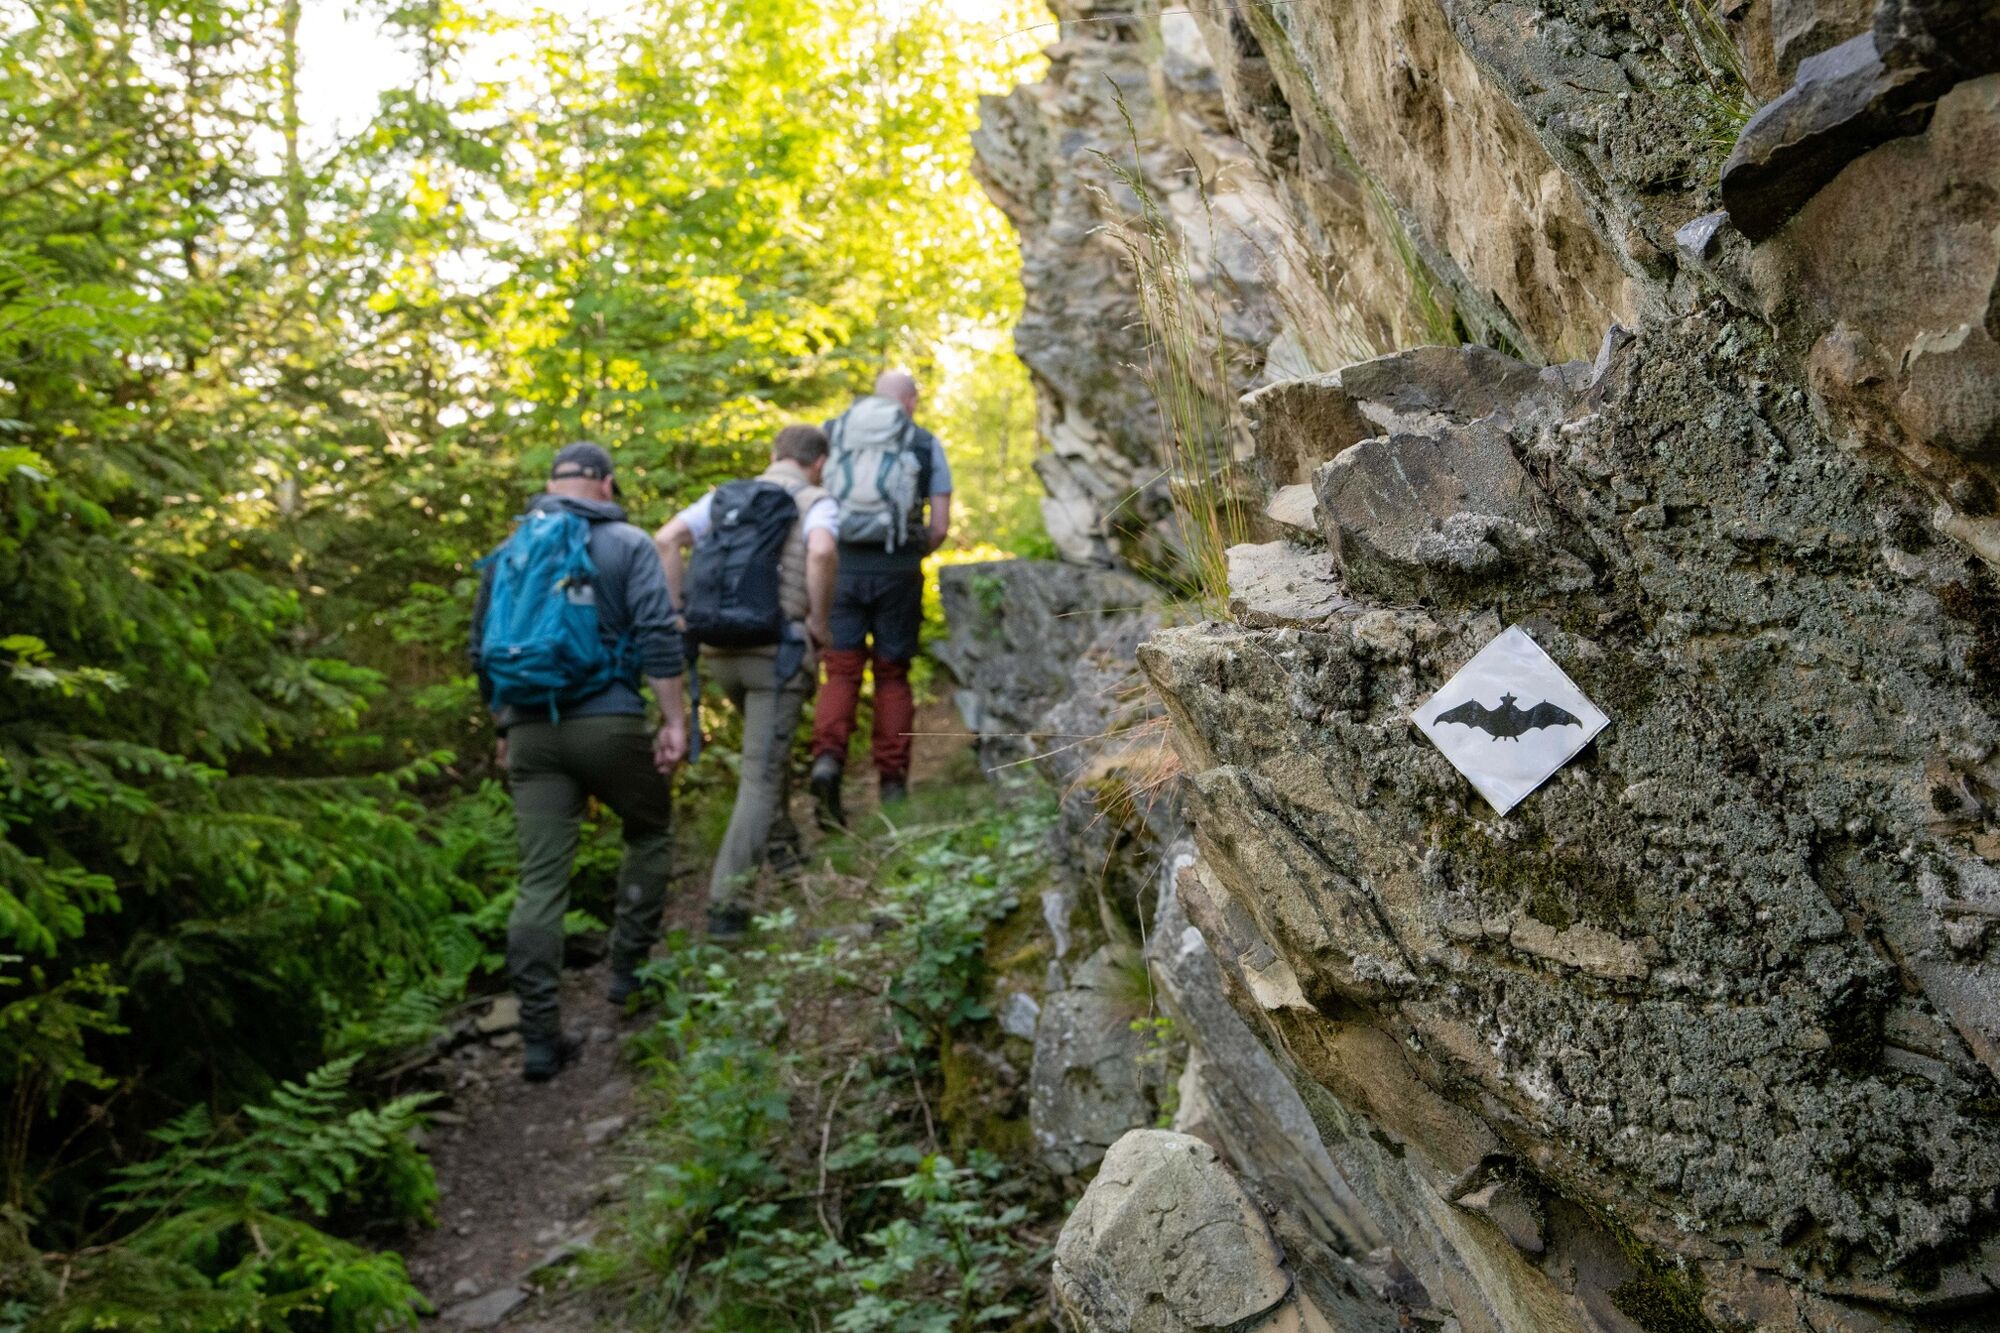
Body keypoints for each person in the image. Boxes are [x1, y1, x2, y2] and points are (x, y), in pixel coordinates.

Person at [470, 443, 687, 1082]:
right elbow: (657, 633)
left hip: (530, 731)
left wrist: (503, 725)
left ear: (550, 484)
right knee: (648, 829)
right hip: (609, 722)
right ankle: (628, 974)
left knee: (539, 883)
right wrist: (674, 720)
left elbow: (480, 649)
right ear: (607, 485)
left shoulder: (511, 549)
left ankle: (540, 1038)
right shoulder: (627, 544)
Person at [655, 425, 838, 939]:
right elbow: (822, 553)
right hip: (777, 656)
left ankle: (785, 856)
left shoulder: (724, 498)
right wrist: (819, 623)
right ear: (819, 463)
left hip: (719, 653)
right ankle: (726, 909)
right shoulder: (817, 501)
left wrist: (677, 613)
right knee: (760, 776)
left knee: (765, 761)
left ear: (775, 454)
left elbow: (666, 540)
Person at [808, 369, 951, 826]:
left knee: (840, 670)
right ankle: (892, 784)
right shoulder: (923, 442)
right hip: (898, 571)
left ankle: (827, 761)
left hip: (840, 568)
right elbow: (940, 525)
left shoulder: (833, 433)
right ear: (910, 402)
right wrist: (910, 555)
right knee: (893, 675)